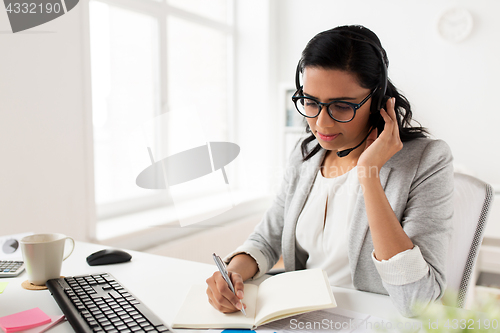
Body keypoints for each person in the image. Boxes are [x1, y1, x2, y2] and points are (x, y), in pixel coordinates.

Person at [205, 25, 454, 318]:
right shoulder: (306, 153)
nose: (321, 124)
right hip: (300, 316)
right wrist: (232, 272)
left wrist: (369, 177)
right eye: (310, 102)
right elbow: (267, 238)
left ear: (376, 101)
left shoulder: (427, 160)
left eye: (342, 106)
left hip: (376, 321)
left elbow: (418, 301)